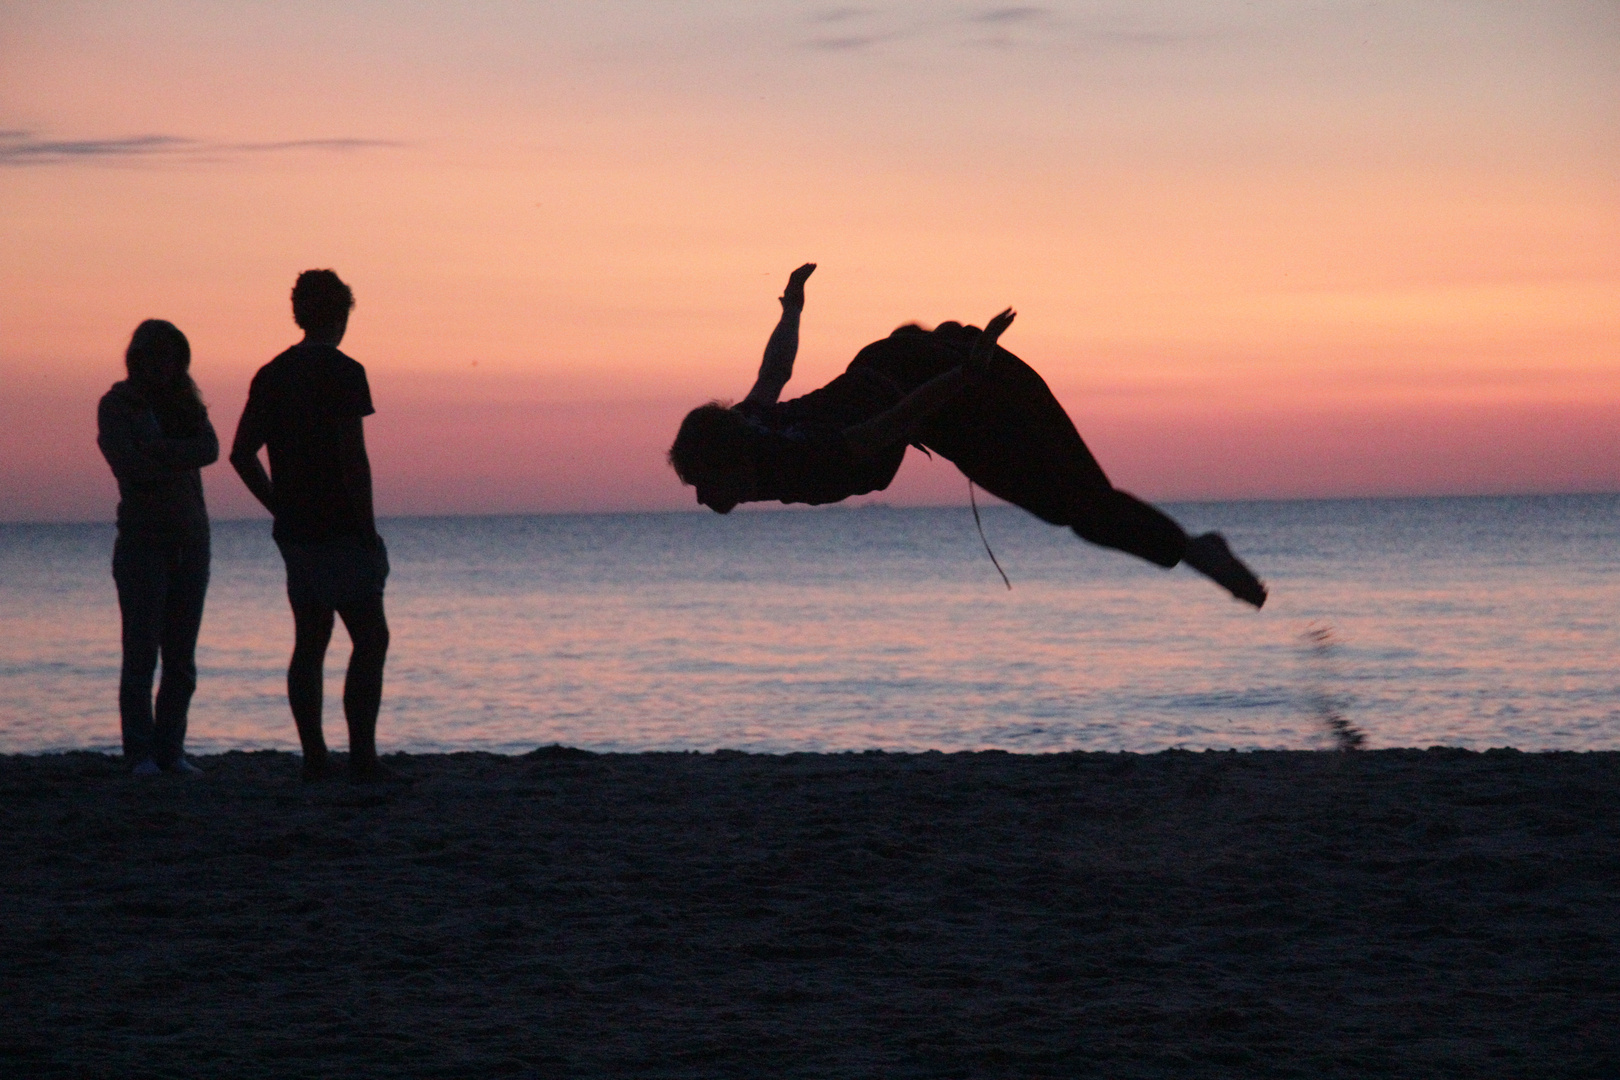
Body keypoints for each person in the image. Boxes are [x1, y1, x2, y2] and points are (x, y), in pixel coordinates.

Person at [669, 264, 1266, 607]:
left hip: (959, 384)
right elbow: (774, 371)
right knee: (1072, 511)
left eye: (705, 482)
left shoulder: (807, 457)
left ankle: (1197, 549)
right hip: (928, 392)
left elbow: (893, 423)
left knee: (1084, 504)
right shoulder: (751, 424)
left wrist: (964, 372)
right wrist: (792, 310)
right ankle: (1191, 547)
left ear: (735, 458)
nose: (702, 499)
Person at [230, 270, 395, 782]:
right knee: (370, 636)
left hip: (298, 530)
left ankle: (315, 757)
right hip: (341, 524)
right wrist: (367, 529)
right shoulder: (345, 371)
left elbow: (241, 455)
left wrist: (280, 506)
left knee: (311, 637)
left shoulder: (272, 373)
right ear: (341, 314)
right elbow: (353, 458)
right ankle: (362, 758)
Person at [97, 320, 218, 776]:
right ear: (139, 358)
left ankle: (171, 749)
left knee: (181, 658)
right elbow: (128, 463)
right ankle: (141, 753)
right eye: (157, 356)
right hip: (143, 542)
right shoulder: (117, 405)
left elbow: (208, 449)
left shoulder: (187, 404)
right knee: (141, 651)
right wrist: (169, 453)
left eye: (174, 357)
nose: (166, 367)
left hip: (192, 539)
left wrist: (159, 448)